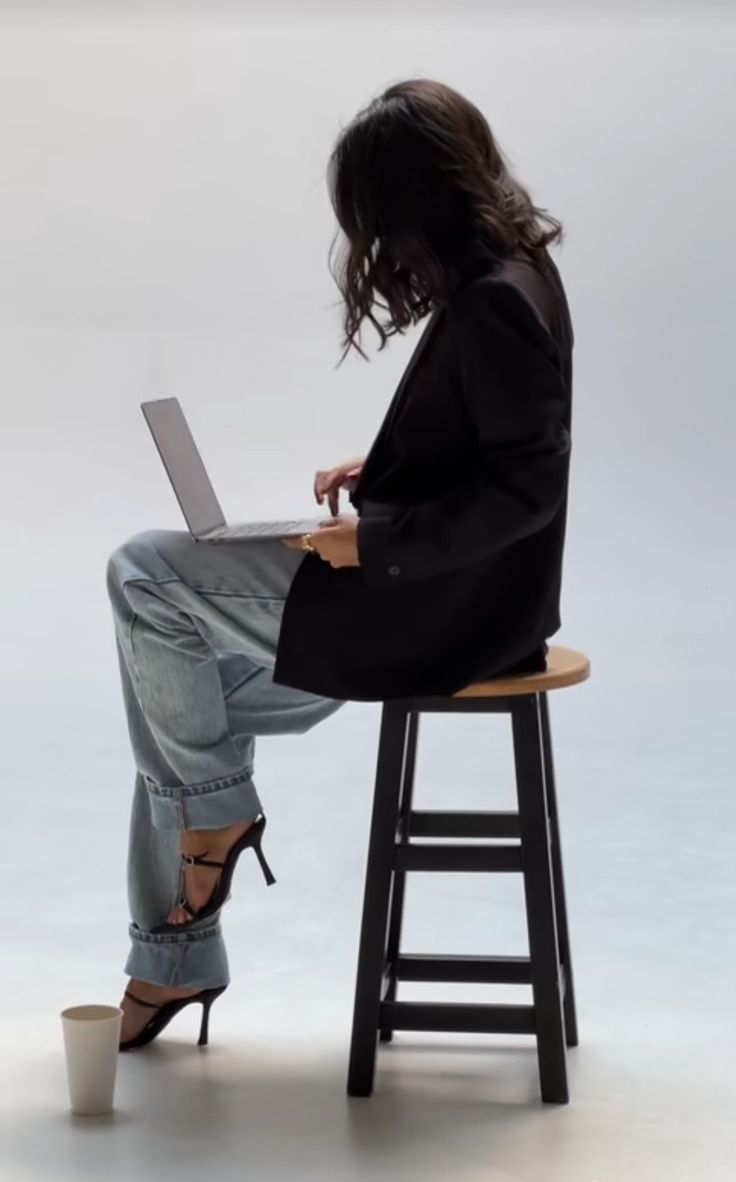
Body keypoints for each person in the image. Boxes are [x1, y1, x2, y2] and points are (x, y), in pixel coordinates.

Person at [107, 77, 574, 1050]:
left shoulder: (495, 302)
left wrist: (377, 539)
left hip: (426, 613)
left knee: (144, 573)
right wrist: (387, 472)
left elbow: (528, 490)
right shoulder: (517, 274)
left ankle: (197, 886)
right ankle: (185, 921)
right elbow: (496, 449)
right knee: (176, 714)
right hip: (435, 599)